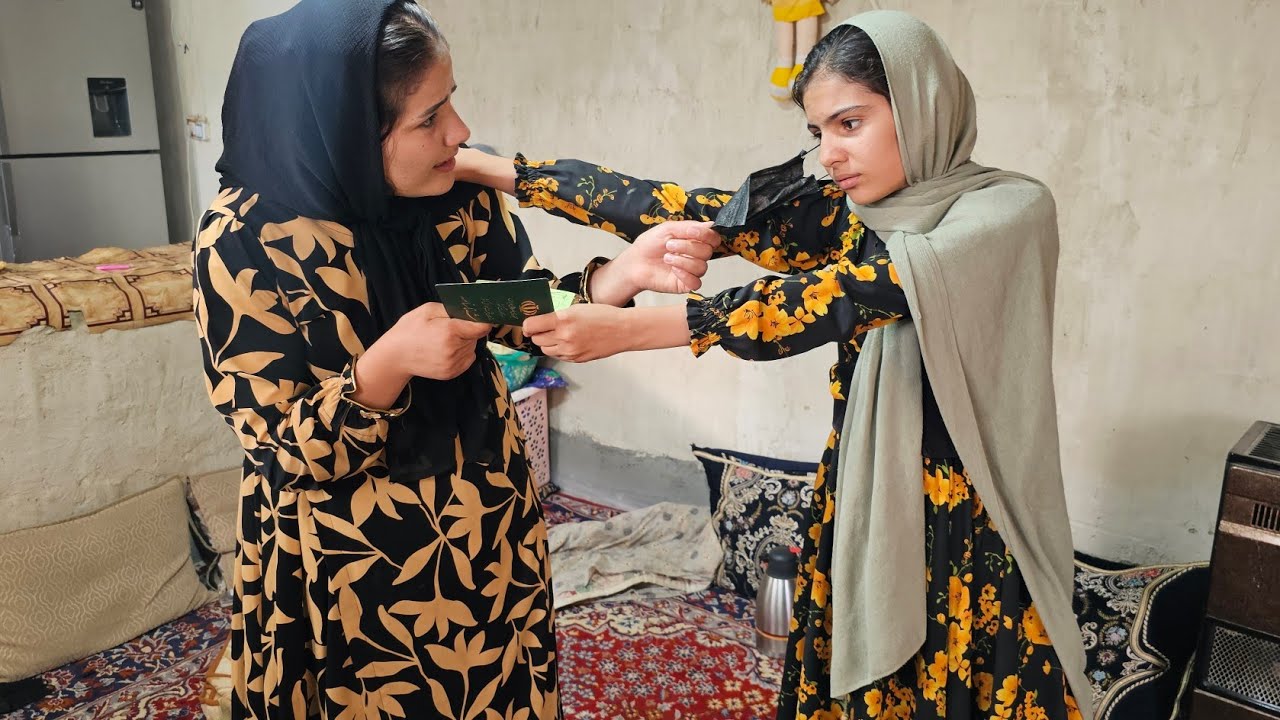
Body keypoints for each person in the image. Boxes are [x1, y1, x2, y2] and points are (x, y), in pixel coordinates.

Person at [456, 10, 1091, 720]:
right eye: (819, 133)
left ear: (922, 104)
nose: (831, 154)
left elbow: (838, 299)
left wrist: (632, 331)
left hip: (968, 517)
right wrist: (489, 169)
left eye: (850, 123)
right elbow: (682, 209)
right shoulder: (853, 212)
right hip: (863, 489)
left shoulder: (1005, 212)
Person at [191, 1, 718, 718]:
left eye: (453, 103)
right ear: (349, 133)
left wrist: (616, 279)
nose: (460, 133)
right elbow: (280, 447)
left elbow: (514, 315)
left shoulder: (453, 196)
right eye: (428, 118)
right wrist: (386, 366)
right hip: (349, 561)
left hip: (485, 518)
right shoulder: (243, 240)